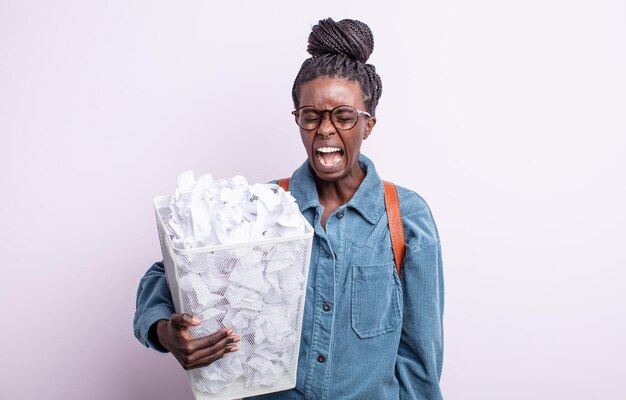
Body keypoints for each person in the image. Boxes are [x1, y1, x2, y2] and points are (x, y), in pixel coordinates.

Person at [134, 17, 444, 399]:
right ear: (299, 119)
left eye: (344, 116)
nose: (325, 129)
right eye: (310, 115)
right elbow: (169, 270)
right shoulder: (261, 207)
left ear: (369, 125)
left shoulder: (405, 217)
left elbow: (419, 358)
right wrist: (165, 330)